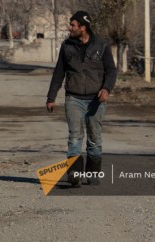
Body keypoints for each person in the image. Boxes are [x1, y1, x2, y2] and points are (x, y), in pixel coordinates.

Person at [46, 11, 117, 187]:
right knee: (75, 137)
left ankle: (93, 174)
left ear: (83, 27)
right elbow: (59, 73)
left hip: (96, 100)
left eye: (73, 25)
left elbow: (111, 71)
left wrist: (106, 88)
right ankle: (74, 174)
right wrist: (51, 97)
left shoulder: (101, 45)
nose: (70, 28)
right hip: (74, 98)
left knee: (94, 138)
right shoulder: (67, 46)